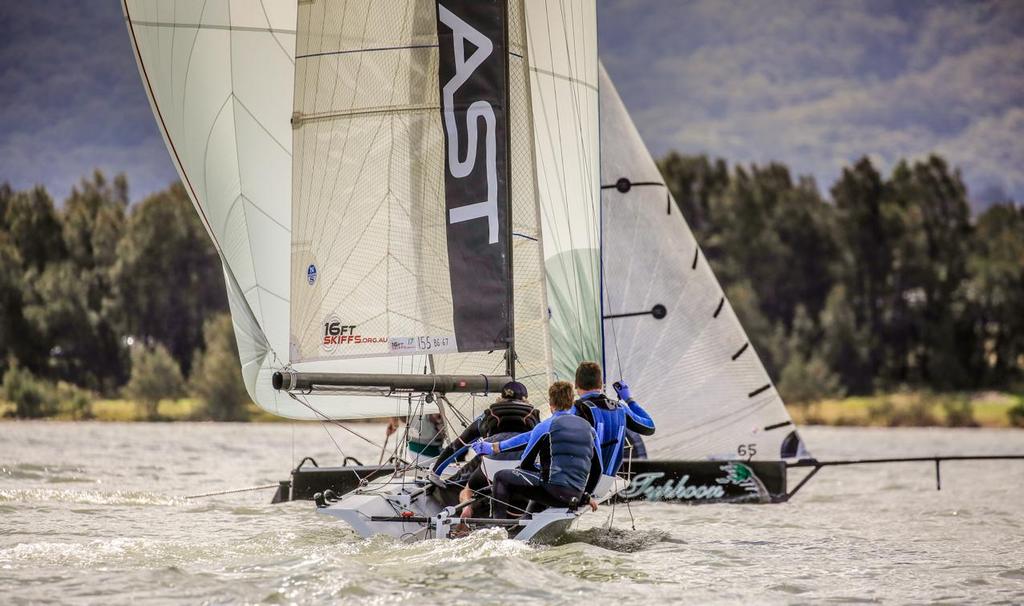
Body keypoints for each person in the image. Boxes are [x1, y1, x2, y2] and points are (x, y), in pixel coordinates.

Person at [473, 381, 603, 519]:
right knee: (541, 487)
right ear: (572, 401)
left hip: (553, 492)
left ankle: (497, 528)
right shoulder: (590, 429)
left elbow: (525, 464)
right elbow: (598, 469)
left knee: (501, 477)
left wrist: (540, 469)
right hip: (576, 496)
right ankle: (525, 524)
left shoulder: (545, 427)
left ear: (550, 403)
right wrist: (585, 495)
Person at [430, 381, 540, 517]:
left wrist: (435, 473)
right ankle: (530, 514)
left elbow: (456, 446)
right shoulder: (535, 418)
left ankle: (466, 508)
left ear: (501, 397)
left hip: (490, 469)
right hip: (521, 469)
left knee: (468, 489)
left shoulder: (487, 417)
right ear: (525, 399)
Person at [571, 361, 655, 476]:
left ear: (576, 384)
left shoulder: (573, 410)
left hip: (580, 481)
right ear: (601, 384)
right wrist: (629, 400)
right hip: (608, 482)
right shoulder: (621, 408)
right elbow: (650, 427)